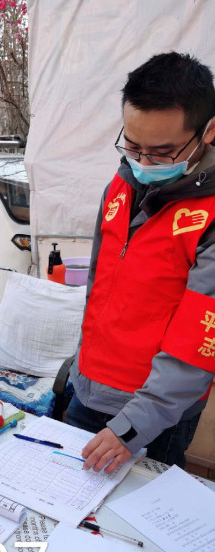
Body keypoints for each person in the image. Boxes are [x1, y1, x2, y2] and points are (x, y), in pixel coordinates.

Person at [66, 52, 215, 473]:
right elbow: (98, 284)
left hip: (152, 417)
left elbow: (198, 342)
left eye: (162, 153)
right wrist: (79, 366)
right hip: (87, 390)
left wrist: (133, 426)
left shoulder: (210, 215)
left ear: (208, 132)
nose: (143, 163)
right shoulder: (120, 184)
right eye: (133, 146)